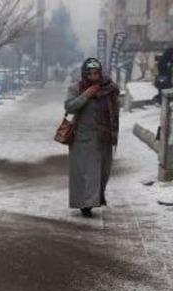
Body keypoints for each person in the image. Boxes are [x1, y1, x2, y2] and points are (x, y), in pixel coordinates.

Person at [64, 58, 120, 218]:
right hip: (83, 138)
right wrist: (86, 95)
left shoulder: (109, 88)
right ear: (84, 73)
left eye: (96, 72)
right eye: (90, 73)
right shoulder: (77, 88)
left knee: (102, 172)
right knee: (85, 173)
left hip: (104, 138)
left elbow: (115, 111)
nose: (93, 76)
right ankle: (86, 204)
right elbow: (69, 107)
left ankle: (94, 198)